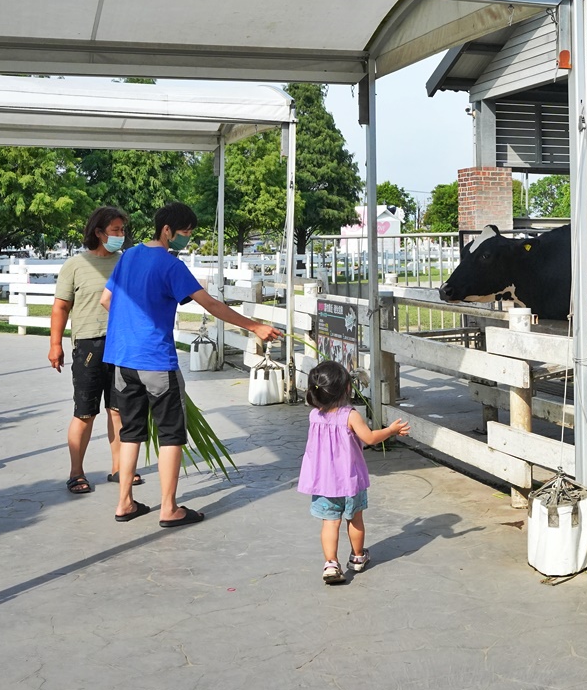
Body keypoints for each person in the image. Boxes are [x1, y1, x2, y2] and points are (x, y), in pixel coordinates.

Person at [101, 201, 281, 528]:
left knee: (131, 432)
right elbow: (210, 304)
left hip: (121, 361)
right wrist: (254, 326)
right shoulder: (171, 266)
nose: (186, 239)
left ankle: (124, 502)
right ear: (167, 230)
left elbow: (106, 300)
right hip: (156, 361)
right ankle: (169, 508)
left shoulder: (128, 257)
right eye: (184, 233)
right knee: (171, 434)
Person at [298, 359, 410, 583]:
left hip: (323, 483)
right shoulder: (350, 415)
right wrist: (391, 430)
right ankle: (358, 557)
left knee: (330, 523)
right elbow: (369, 438)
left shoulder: (314, 416)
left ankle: (330, 563)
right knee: (355, 519)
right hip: (350, 480)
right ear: (346, 388)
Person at [48, 206, 131, 495]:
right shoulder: (76, 265)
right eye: (116, 230)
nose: (121, 235)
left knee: (118, 411)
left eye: (122, 230)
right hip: (89, 345)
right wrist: (55, 344)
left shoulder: (125, 262)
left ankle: (121, 469)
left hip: (121, 344)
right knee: (85, 412)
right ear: (98, 232)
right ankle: (76, 473)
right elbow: (61, 306)